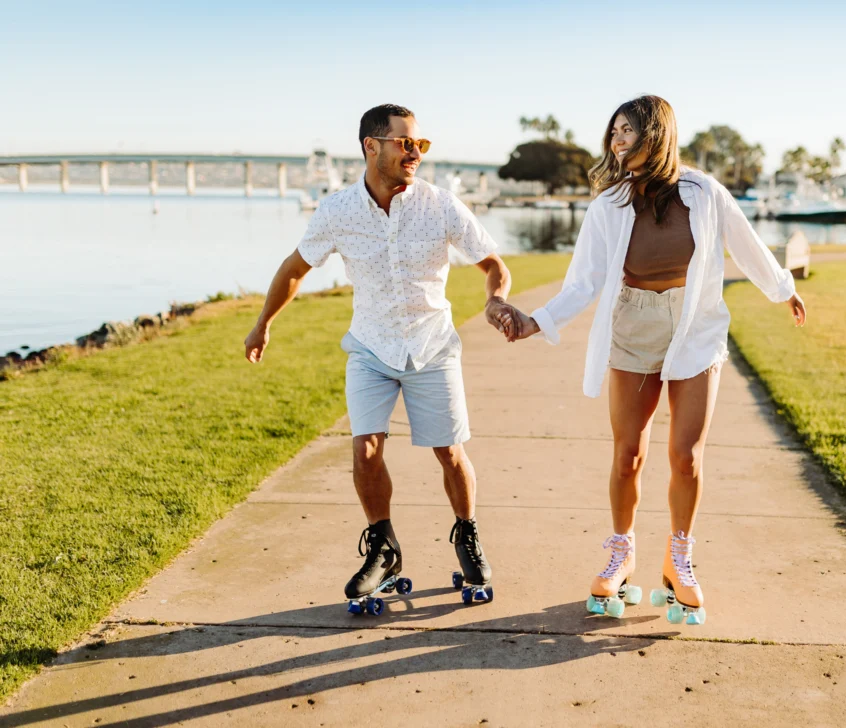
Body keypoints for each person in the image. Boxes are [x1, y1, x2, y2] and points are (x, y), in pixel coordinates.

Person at [502, 96, 806, 624]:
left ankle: (679, 555)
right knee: (628, 454)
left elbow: (746, 243)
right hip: (633, 324)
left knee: (686, 455)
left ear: (656, 134)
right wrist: (536, 321)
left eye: (628, 131)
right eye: (613, 132)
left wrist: (783, 289)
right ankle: (622, 550)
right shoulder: (609, 204)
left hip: (695, 325)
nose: (617, 141)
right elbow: (584, 281)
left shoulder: (704, 192)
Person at [244, 104, 519, 612]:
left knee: (450, 453)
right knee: (365, 451)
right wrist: (263, 323)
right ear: (372, 146)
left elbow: (493, 263)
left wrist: (495, 298)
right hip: (370, 347)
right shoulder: (337, 210)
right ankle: (384, 549)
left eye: (420, 144)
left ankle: (467, 536)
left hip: (432, 346)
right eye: (405, 142)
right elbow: (293, 268)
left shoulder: (440, 205)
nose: (415, 152)